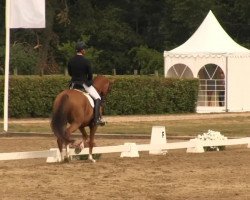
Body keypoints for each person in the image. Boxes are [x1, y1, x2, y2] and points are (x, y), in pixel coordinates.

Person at [67, 41, 105, 126]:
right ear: (82, 50)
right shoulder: (86, 61)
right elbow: (90, 75)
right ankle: (96, 119)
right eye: (85, 49)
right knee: (97, 98)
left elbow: (70, 73)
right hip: (83, 84)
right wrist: (89, 81)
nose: (85, 51)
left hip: (73, 84)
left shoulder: (71, 60)